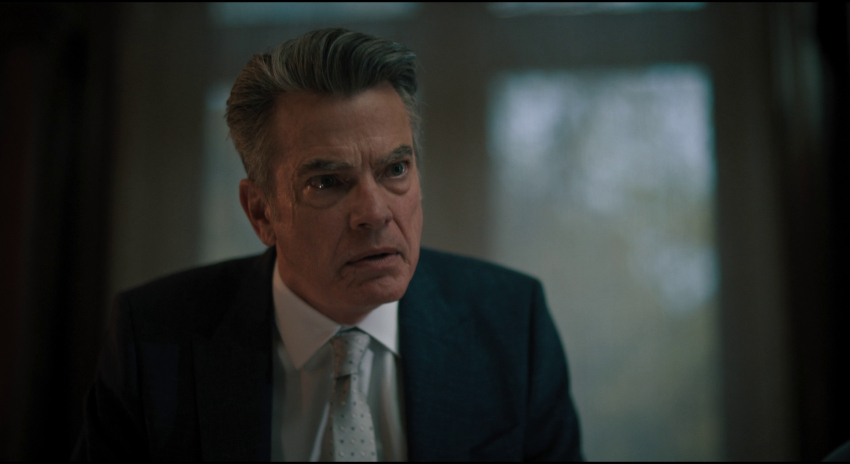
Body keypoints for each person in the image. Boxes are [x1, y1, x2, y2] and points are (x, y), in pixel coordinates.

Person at [72, 28, 582, 461]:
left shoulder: (512, 325)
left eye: (395, 169)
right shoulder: (152, 340)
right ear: (261, 212)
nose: (375, 213)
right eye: (327, 182)